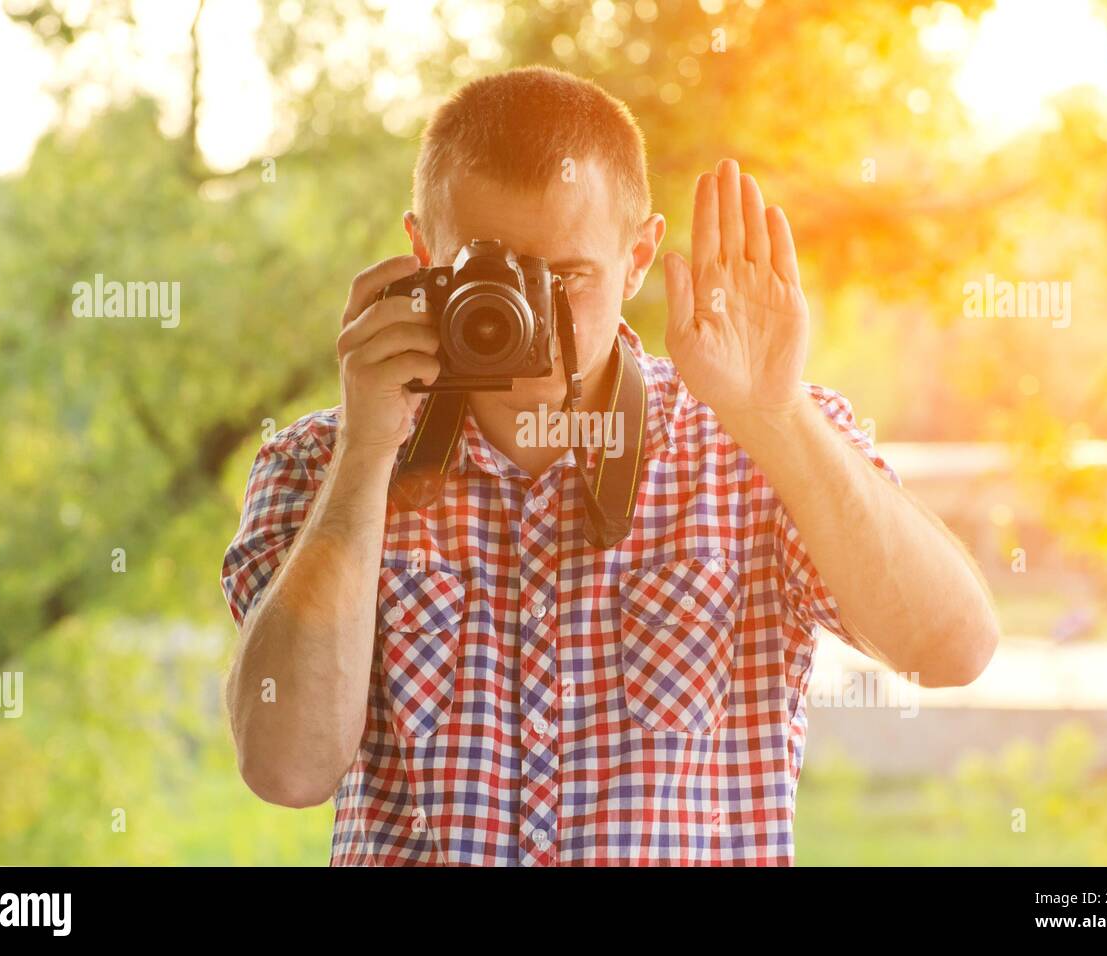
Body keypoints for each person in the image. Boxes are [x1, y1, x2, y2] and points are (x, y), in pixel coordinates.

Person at [221, 65, 999, 866]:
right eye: (488, 276)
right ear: (422, 252)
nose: (527, 313)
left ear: (638, 258)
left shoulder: (752, 446)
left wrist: (777, 416)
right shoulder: (320, 462)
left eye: (565, 277)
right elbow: (286, 767)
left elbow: (952, 649)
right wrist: (366, 457)